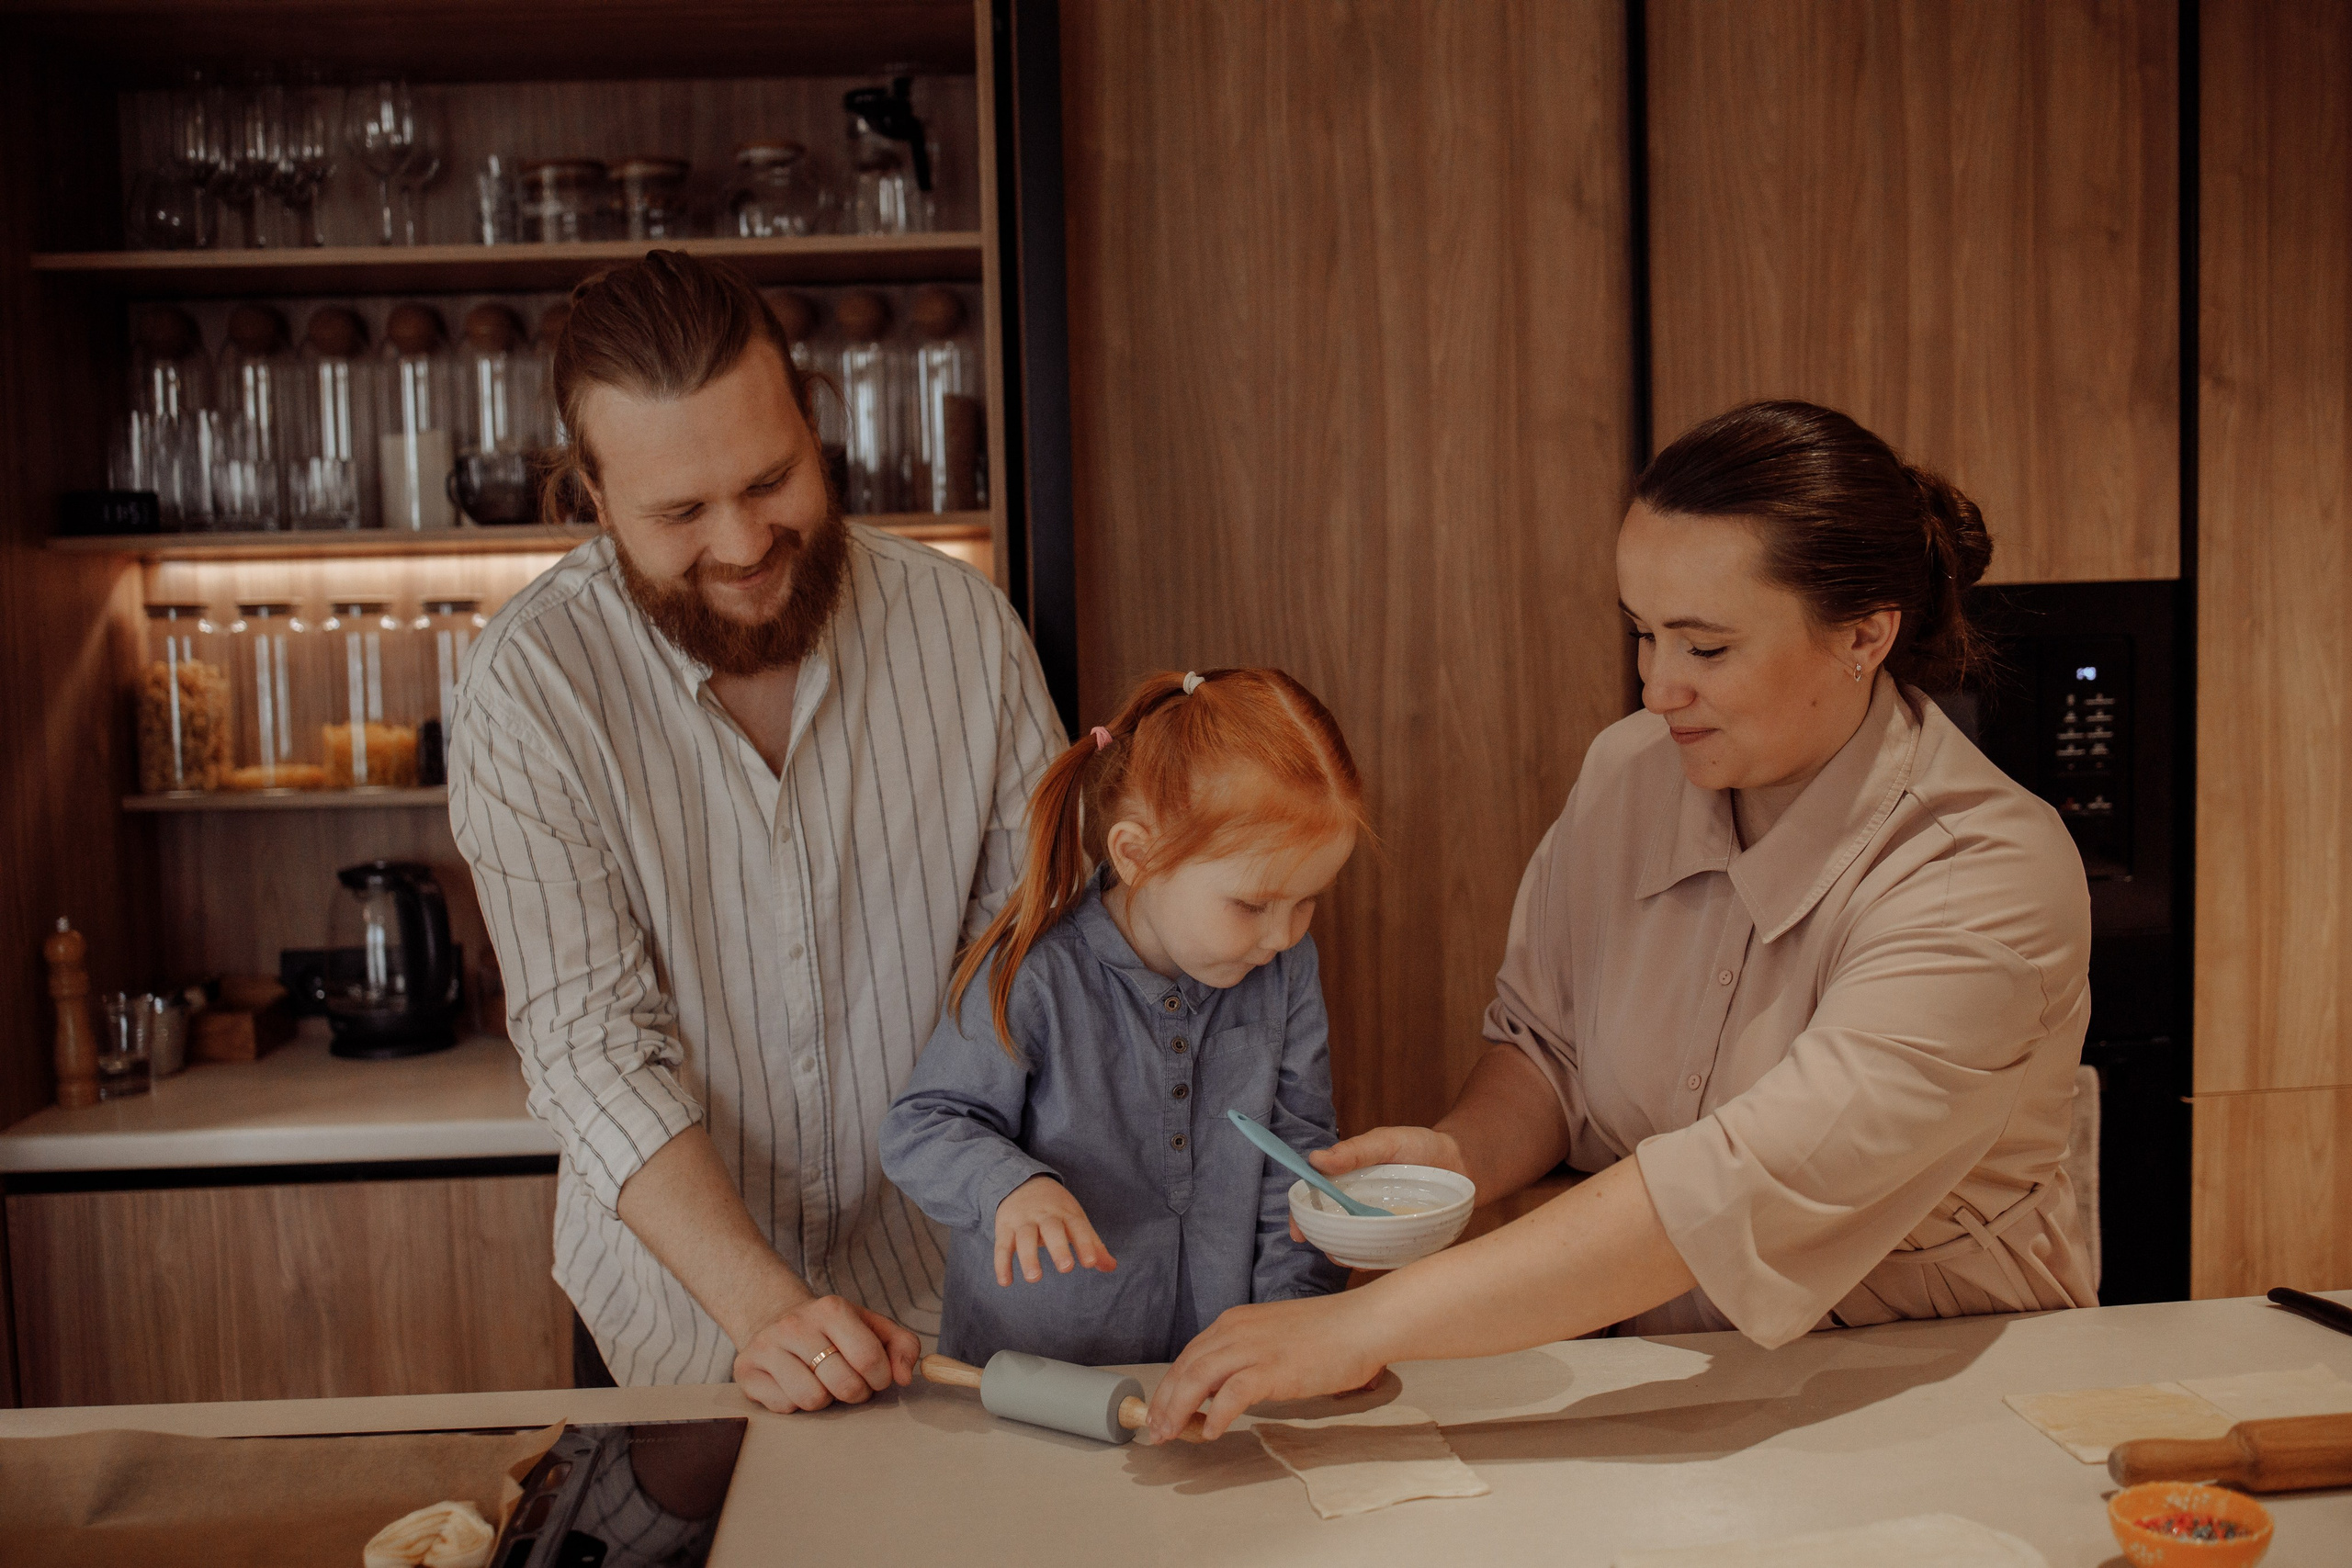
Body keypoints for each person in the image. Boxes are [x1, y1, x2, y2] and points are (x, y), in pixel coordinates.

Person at [1142, 400, 2097, 1443]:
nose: (1656, 686)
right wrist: (1458, 1154)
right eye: (1643, 633)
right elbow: (1547, 1053)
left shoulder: (1982, 880)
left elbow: (1737, 1187)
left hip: (1924, 1394)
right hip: (1666, 1377)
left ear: (1865, 634)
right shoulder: (1631, 774)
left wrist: (1360, 1325)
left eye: (1707, 646)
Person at [447, 251, 1061, 1413]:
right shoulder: (528, 689)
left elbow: (1030, 966)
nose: (739, 546)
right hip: (680, 1322)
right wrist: (763, 1308)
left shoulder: (966, 635)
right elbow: (591, 1045)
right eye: (678, 512)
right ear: (588, 493)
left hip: (950, 1293)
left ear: (812, 418)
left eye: (771, 479)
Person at [880, 669, 1360, 1365]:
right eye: (1254, 904)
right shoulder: (1035, 973)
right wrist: (1009, 1183)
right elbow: (921, 1126)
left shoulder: (1283, 968)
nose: (1285, 934)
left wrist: (1290, 1322)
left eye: (1308, 899)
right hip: (1033, 1385)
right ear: (1137, 855)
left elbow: (1298, 1156)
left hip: (1209, 1382)